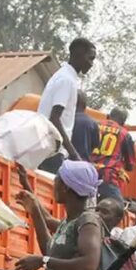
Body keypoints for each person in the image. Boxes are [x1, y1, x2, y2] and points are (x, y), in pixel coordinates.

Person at [14, 160, 124, 270]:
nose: (54, 183)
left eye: (57, 179)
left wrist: (43, 261)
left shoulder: (88, 222)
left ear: (65, 187)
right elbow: (50, 249)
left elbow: (88, 265)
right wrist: (31, 200)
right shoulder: (69, 222)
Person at [38, 38, 96, 173]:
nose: (91, 64)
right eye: (90, 58)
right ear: (79, 55)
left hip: (48, 148)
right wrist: (75, 155)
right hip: (52, 150)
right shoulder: (66, 80)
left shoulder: (62, 76)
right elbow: (54, 118)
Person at [91, 108, 136, 202]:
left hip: (88, 173)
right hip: (108, 177)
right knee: (117, 210)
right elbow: (130, 165)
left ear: (108, 116)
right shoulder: (124, 134)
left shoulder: (94, 125)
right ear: (123, 123)